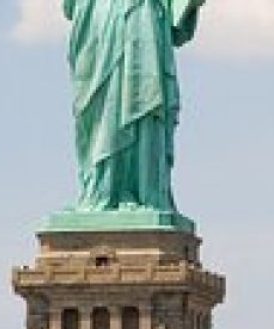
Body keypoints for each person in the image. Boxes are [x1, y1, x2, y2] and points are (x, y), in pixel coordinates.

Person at [61, 0, 205, 214]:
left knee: (143, 101)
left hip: (142, 17)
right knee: (101, 109)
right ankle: (99, 189)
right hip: (99, 19)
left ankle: (142, 191)